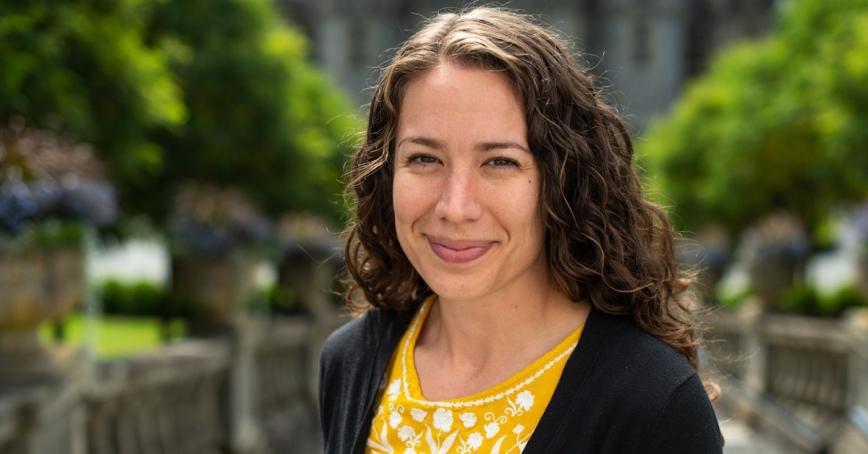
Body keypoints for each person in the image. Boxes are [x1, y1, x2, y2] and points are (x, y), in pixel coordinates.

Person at [320, 7, 723, 454]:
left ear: (564, 180)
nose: (455, 207)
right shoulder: (350, 360)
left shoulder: (653, 403)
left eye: (499, 162)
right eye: (423, 158)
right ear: (385, 172)